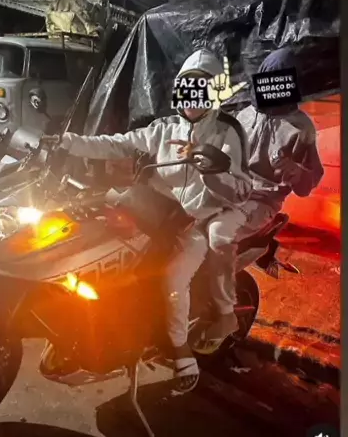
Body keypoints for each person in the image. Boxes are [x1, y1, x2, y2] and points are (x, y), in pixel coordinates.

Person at [45, 49, 252, 391]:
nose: (192, 100)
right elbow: (117, 144)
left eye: (201, 90)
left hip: (196, 220)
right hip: (149, 208)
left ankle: (181, 351)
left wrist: (212, 169)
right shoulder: (163, 129)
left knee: (172, 280)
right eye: (187, 89)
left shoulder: (227, 133)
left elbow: (241, 189)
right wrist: (67, 143)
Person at [195, 47, 324, 354]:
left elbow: (308, 185)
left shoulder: (301, 128)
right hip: (230, 188)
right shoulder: (246, 114)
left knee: (217, 235)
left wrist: (297, 171)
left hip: (262, 201)